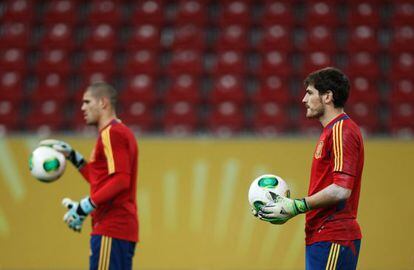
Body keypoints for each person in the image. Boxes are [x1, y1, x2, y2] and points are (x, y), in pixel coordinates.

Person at [256, 67, 364, 270]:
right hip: (322, 235)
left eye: (310, 92)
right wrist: (280, 208)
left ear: (328, 97)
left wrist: (296, 206)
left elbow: (341, 189)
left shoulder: (341, 130)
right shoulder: (331, 131)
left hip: (334, 235)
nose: (303, 99)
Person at [40, 82, 139, 270]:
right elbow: (101, 180)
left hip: (112, 228)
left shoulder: (112, 133)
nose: (82, 108)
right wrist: (73, 156)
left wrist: (84, 207)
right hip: (116, 229)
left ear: (103, 103)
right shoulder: (117, 132)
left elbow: (120, 180)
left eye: (87, 102)